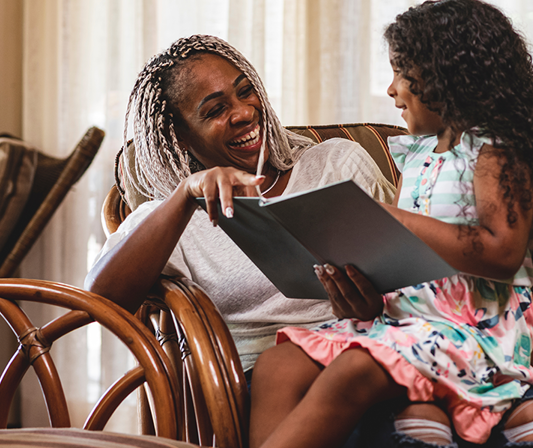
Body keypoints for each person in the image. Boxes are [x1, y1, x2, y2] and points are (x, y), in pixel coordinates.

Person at [248, 0, 533, 448]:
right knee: (279, 363)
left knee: (352, 370)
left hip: (473, 333)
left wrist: (386, 219)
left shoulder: (494, 151)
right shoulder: (417, 154)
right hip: (406, 322)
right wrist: (363, 285)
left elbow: (502, 252)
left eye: (400, 72)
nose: (391, 90)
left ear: (448, 76)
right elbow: (414, 266)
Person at [85, 34, 396, 373]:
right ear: (181, 137)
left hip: (369, 358)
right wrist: (187, 193)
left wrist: (375, 308)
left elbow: (412, 274)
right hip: (255, 384)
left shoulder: (337, 164)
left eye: (246, 91)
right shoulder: (175, 218)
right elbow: (102, 299)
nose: (245, 113)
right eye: (216, 110)